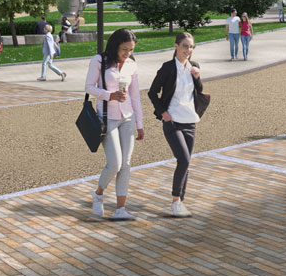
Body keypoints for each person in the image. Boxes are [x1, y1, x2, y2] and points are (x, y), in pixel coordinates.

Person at [85, 28, 144, 221]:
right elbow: (89, 87)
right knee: (115, 163)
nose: (128, 53)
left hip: (128, 118)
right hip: (107, 118)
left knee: (126, 164)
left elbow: (135, 95)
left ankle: (120, 209)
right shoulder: (99, 61)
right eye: (124, 49)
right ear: (115, 45)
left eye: (131, 49)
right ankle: (98, 193)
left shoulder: (131, 64)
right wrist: (109, 95)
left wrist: (140, 123)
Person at [147, 31, 204, 218]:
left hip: (190, 121)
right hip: (173, 122)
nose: (188, 50)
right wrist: (163, 113)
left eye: (191, 47)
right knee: (184, 160)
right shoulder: (168, 68)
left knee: (186, 162)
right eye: (185, 46)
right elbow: (152, 92)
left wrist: (197, 77)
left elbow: (199, 91)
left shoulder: (193, 67)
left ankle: (180, 201)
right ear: (176, 46)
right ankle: (175, 201)